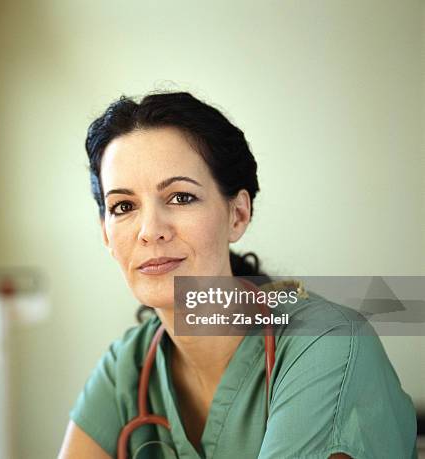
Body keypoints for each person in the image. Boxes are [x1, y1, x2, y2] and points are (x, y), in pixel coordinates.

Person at [58, 92, 417, 458]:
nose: (150, 230)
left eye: (181, 197)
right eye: (123, 206)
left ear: (238, 215)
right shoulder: (127, 367)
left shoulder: (328, 342)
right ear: (106, 234)